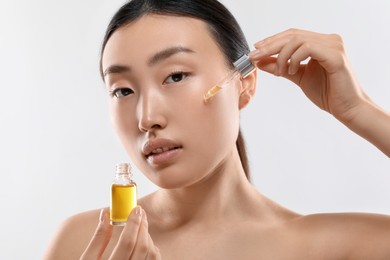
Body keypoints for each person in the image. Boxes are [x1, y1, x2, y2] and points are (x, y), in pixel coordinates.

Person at [44, 0, 390, 259]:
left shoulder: (337, 247)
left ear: (244, 84)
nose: (147, 117)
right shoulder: (87, 241)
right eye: (123, 90)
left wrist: (360, 111)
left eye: (176, 76)